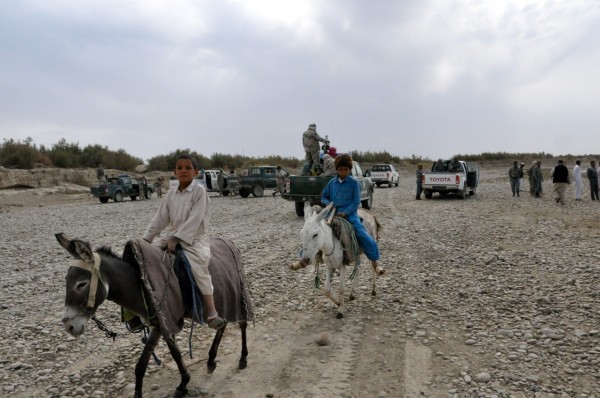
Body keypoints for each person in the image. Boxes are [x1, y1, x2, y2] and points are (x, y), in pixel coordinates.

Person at [142, 154, 224, 330]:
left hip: (193, 241)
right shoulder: (171, 194)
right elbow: (160, 218)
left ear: (196, 172)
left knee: (198, 267)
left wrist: (177, 238)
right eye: (180, 168)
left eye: (188, 168)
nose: (183, 171)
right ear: (174, 172)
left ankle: (211, 310)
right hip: (171, 239)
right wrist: (146, 239)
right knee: (151, 263)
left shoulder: (199, 192)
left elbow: (195, 218)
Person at [321, 154, 385, 275]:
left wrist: (345, 212)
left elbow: (356, 202)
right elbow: (324, 196)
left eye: (346, 169)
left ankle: (375, 263)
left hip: (349, 214)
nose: (343, 172)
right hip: (332, 212)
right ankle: (305, 258)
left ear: (349, 169)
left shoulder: (354, 183)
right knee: (318, 231)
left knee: (362, 234)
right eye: (341, 169)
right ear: (337, 170)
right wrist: (329, 204)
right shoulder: (331, 183)